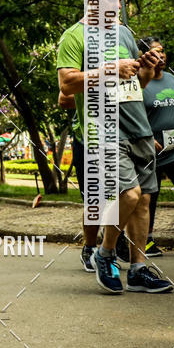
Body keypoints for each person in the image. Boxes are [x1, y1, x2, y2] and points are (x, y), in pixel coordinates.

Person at [57, 0, 172, 295]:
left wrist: (147, 68)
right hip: (104, 131)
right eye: (112, 0)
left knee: (144, 200)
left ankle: (137, 269)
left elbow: (137, 83)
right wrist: (111, 69)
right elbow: (67, 83)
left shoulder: (123, 32)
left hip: (138, 129)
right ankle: (105, 252)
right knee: (129, 195)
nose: (118, 7)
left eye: (120, 0)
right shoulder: (74, 36)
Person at [138, 36, 174, 256]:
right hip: (151, 151)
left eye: (162, 51)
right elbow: (133, 114)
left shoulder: (170, 79)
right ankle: (146, 240)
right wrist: (147, 137)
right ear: (143, 56)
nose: (160, 56)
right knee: (150, 195)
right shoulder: (138, 83)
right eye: (154, 52)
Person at [58, 92, 99, 270]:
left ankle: (115, 242)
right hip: (87, 141)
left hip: (120, 138)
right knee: (94, 199)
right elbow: (63, 99)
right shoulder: (83, 70)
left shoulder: (128, 65)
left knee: (125, 194)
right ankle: (89, 247)